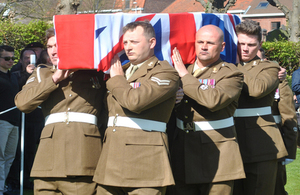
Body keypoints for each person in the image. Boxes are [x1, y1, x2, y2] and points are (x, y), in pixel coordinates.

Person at [14, 28, 107, 194]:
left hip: (83, 158)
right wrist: (54, 79)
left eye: (58, 45)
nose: (53, 51)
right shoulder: (42, 73)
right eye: (49, 46)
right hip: (46, 161)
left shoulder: (95, 72)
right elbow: (23, 103)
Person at [93, 21, 179, 195]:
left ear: (152, 43)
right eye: (125, 42)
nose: (128, 47)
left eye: (134, 42)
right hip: (112, 158)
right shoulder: (121, 71)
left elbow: (136, 102)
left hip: (144, 161)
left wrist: (116, 79)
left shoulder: (164, 72)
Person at [167, 25, 245, 195]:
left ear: (222, 47)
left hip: (216, 153)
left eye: (210, 43)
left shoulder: (231, 74)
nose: (203, 46)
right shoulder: (180, 69)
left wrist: (184, 76)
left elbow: (213, 100)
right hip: (183, 151)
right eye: (200, 41)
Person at [233, 19, 288, 195]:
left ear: (260, 44)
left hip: (261, 145)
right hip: (230, 143)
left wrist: (236, 65)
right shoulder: (222, 67)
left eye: (251, 44)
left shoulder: (270, 67)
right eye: (241, 44)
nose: (245, 49)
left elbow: (257, 90)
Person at [257, 48, 299, 195]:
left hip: (274, 145)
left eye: (259, 60)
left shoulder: (278, 81)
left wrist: (289, 152)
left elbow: (289, 117)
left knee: (276, 189)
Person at [6, 48, 44, 193]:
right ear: (21, 60)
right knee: (18, 151)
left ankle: (28, 178)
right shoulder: (15, 74)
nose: (29, 60)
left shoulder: (40, 73)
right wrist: (28, 74)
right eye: (26, 58)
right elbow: (18, 91)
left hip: (36, 118)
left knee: (32, 151)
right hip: (20, 118)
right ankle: (15, 180)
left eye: (32, 57)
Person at [0, 45, 20, 195]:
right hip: (1, 121)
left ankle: (2, 186)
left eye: (13, 58)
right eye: (7, 58)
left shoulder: (13, 76)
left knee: (9, 157)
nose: (11, 61)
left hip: (15, 122)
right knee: (0, 157)